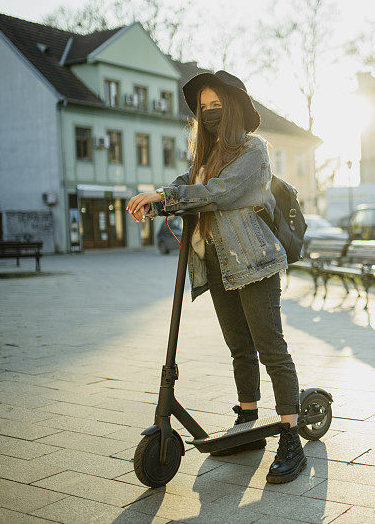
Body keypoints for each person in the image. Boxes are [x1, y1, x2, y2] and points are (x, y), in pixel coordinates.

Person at [126, 71, 306, 484]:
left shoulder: (253, 151)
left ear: (234, 109)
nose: (209, 113)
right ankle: (248, 421)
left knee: (270, 348)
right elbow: (186, 186)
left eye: (216, 105)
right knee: (239, 348)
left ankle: (290, 436)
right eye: (203, 107)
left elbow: (219, 192)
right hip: (217, 266)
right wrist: (153, 203)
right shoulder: (202, 161)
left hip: (254, 263)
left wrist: (168, 198)